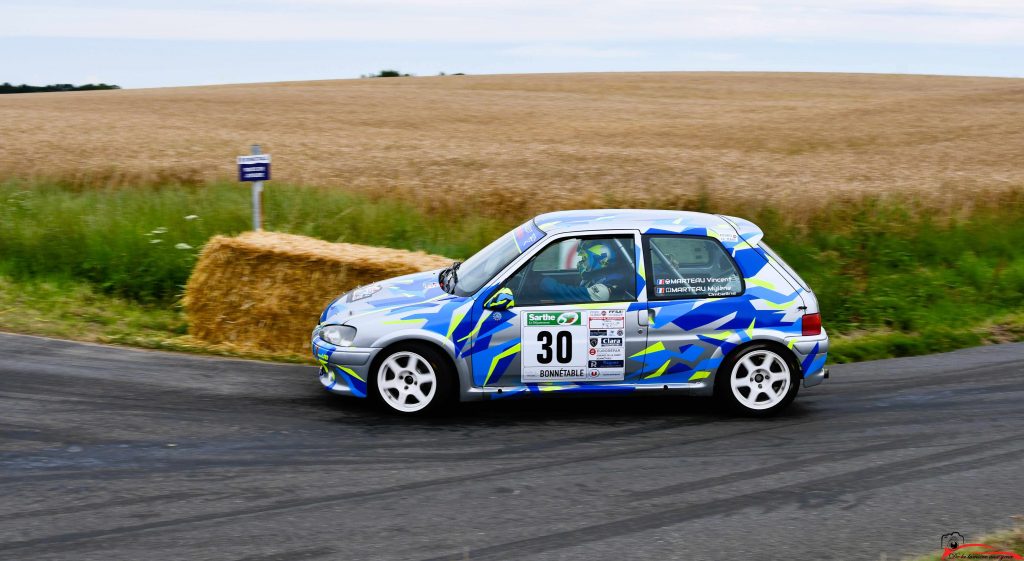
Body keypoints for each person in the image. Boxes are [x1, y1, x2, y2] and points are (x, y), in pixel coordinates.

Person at [539, 240, 631, 302]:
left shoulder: (605, 289)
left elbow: (564, 293)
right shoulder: (594, 278)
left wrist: (542, 281)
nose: (581, 262)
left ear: (601, 260)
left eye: (584, 258)